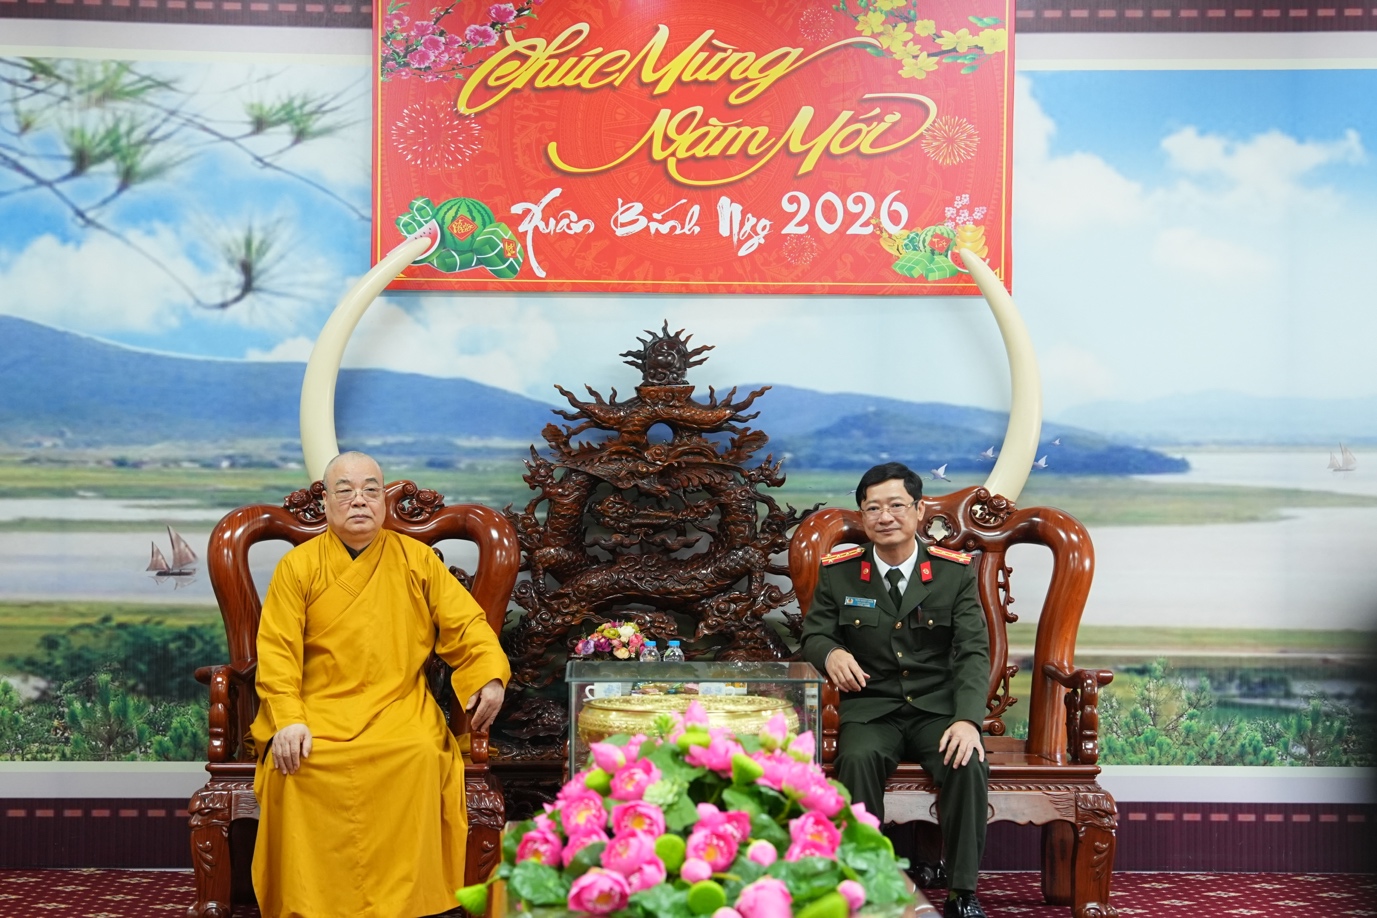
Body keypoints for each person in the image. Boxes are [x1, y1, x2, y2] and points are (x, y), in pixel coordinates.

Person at [250, 451, 510, 918]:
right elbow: (277, 653)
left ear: (383, 501)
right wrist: (287, 719)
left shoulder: (416, 560)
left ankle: (409, 904)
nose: (359, 500)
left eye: (371, 490)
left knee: (420, 755)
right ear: (325, 502)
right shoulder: (298, 566)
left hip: (397, 706)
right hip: (317, 710)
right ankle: (309, 904)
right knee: (298, 766)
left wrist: (488, 673)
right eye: (345, 490)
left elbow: (467, 626)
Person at [801, 462, 991, 918]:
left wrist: (968, 720)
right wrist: (831, 653)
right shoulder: (840, 572)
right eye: (873, 508)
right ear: (862, 515)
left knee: (967, 761)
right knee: (856, 759)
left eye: (896, 506)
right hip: (872, 707)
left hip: (937, 710)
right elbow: (814, 635)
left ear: (919, 510)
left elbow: (973, 651)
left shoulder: (952, 572)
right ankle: (867, 888)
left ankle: (962, 893)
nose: (885, 517)